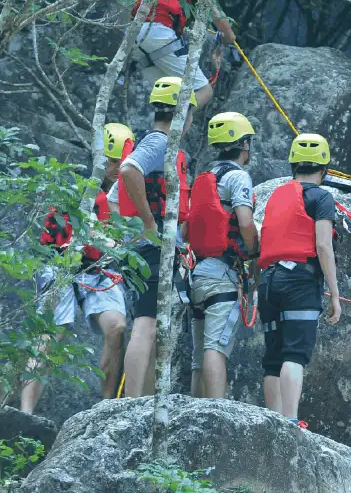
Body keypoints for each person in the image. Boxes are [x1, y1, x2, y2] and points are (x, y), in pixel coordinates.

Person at [21, 122, 135, 413]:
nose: (115, 168)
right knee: (50, 335)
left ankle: (106, 407)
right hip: (60, 267)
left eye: (119, 162)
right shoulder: (78, 190)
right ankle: (25, 412)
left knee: (117, 326)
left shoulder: (125, 196)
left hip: (98, 271)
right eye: (111, 162)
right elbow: (56, 238)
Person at [110, 77, 194, 398]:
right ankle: (131, 402)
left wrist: (126, 233)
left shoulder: (149, 141)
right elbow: (128, 171)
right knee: (146, 324)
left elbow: (115, 197)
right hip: (150, 249)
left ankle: (143, 401)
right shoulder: (159, 143)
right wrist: (147, 222)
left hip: (141, 248)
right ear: (182, 113)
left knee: (152, 325)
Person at [257, 133, 342, 426]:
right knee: (295, 352)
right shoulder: (322, 197)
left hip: (268, 280)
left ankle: (273, 422)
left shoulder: (276, 196)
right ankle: (290, 422)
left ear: (293, 164)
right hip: (299, 282)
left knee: (273, 356)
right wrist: (335, 294)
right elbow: (322, 245)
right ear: (324, 168)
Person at [186, 112, 258, 399]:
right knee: (215, 347)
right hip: (223, 274)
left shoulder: (204, 177)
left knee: (198, 354)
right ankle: (216, 412)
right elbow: (244, 220)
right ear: (244, 145)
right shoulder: (238, 176)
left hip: (198, 273)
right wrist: (254, 250)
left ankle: (193, 409)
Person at [131, 0, 236, 108]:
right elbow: (217, 16)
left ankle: (160, 120)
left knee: (167, 88)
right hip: (159, 35)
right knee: (204, 90)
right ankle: (175, 122)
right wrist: (230, 36)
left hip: (136, 32)